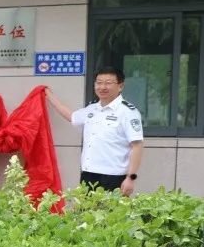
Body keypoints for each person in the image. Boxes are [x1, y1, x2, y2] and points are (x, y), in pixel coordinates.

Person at [45, 67, 144, 195]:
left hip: (113, 177)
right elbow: (72, 116)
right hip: (88, 174)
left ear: (120, 86)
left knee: (112, 214)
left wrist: (130, 178)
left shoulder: (128, 112)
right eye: (99, 82)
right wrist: (49, 95)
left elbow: (137, 146)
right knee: (86, 214)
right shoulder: (92, 109)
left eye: (108, 83)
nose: (102, 87)